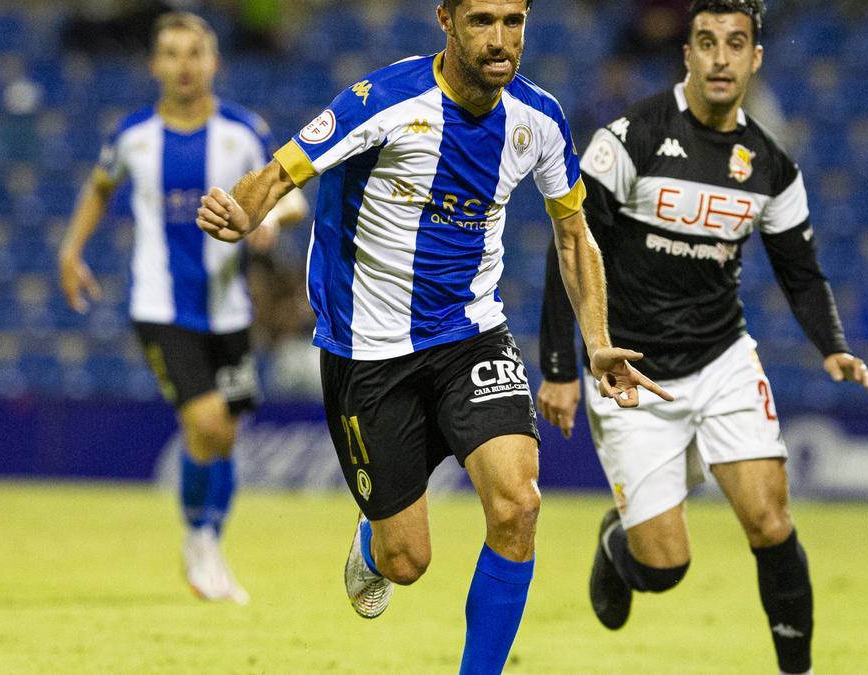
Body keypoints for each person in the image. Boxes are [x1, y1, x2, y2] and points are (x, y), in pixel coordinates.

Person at [194, 0, 670, 671]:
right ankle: (373, 542)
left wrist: (596, 342)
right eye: (482, 21)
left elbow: (573, 234)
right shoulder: (381, 100)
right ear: (446, 21)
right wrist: (241, 212)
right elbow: (279, 172)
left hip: (470, 334)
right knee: (406, 559)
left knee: (519, 503)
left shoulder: (540, 119)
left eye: (514, 21)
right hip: (367, 348)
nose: (501, 40)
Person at [536, 2, 868, 674]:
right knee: (664, 568)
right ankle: (618, 544)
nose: (721, 58)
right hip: (631, 369)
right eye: (706, 43)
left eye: (736, 44)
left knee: (770, 520)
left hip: (723, 360)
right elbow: (570, 250)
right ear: (686, 54)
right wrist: (559, 366)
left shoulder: (771, 165)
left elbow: (800, 270)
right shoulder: (628, 138)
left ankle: (797, 668)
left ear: (756, 59)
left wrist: (831, 343)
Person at [57, 12, 308, 603]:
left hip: (230, 311)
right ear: (154, 64)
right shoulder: (132, 137)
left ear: (214, 61)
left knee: (224, 436)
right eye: (171, 53)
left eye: (195, 52)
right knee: (207, 423)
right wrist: (72, 251)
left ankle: (211, 546)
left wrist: (268, 218)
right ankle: (200, 543)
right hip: (160, 308)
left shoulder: (243, 132)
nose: (184, 64)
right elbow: (100, 186)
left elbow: (289, 194)